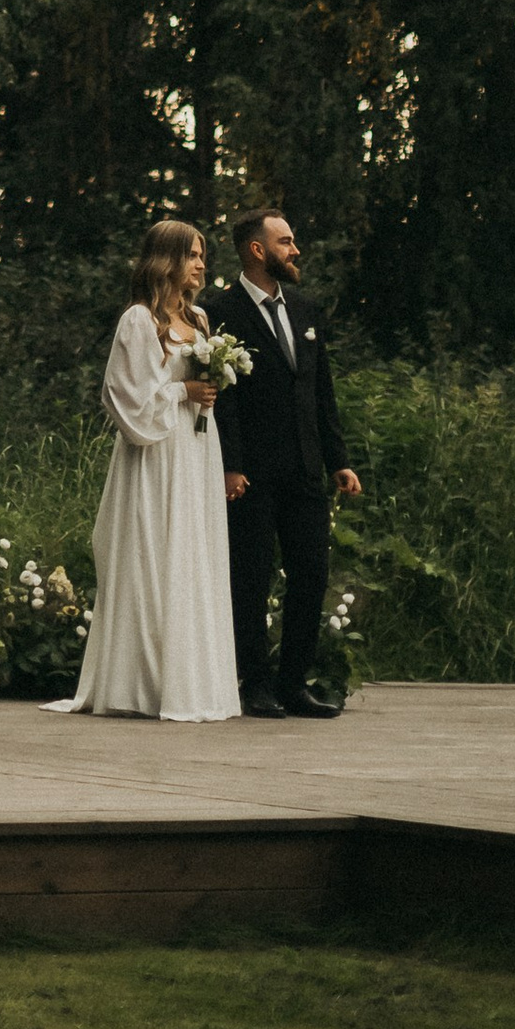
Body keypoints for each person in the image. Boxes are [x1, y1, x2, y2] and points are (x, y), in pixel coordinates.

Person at [56, 214, 240, 722]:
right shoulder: (139, 320)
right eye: (194, 254)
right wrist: (183, 391)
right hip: (156, 452)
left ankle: (190, 678)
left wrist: (209, 391)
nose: (202, 264)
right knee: (154, 549)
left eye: (204, 255)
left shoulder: (200, 321)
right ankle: (141, 683)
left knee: (192, 553)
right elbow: (124, 394)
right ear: (168, 260)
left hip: (197, 450)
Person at [211, 200, 361, 721]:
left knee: (311, 575)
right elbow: (222, 398)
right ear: (257, 250)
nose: (296, 250)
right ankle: (255, 684)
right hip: (250, 472)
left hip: (305, 467)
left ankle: (294, 683)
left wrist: (338, 459)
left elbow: (322, 390)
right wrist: (230, 465)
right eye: (286, 242)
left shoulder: (306, 309)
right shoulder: (219, 310)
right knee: (250, 578)